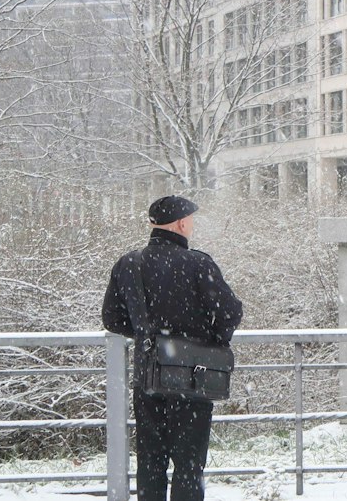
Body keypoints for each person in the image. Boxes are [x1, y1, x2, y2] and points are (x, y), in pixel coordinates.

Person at [101, 195, 244, 501]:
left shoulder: (129, 263)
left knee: (150, 462)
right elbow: (230, 311)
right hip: (193, 376)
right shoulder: (197, 264)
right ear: (181, 223)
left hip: (148, 377)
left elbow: (111, 319)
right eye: (191, 219)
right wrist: (210, 341)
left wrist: (147, 335)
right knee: (189, 464)